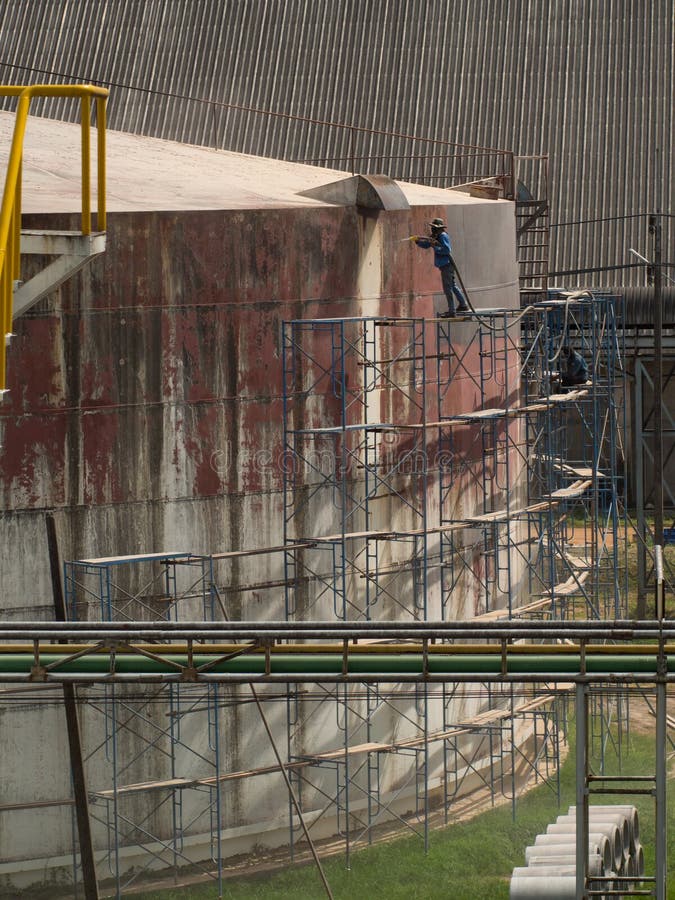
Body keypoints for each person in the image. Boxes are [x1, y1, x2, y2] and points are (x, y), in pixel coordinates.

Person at [414, 218, 469, 317]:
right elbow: (428, 244)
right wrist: (418, 242)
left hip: (447, 265)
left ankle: (452, 311)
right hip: (445, 266)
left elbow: (446, 250)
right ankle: (463, 304)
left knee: (447, 288)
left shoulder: (443, 236)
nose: (432, 230)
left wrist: (435, 247)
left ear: (438, 228)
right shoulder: (436, 236)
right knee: (452, 286)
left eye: (434, 228)